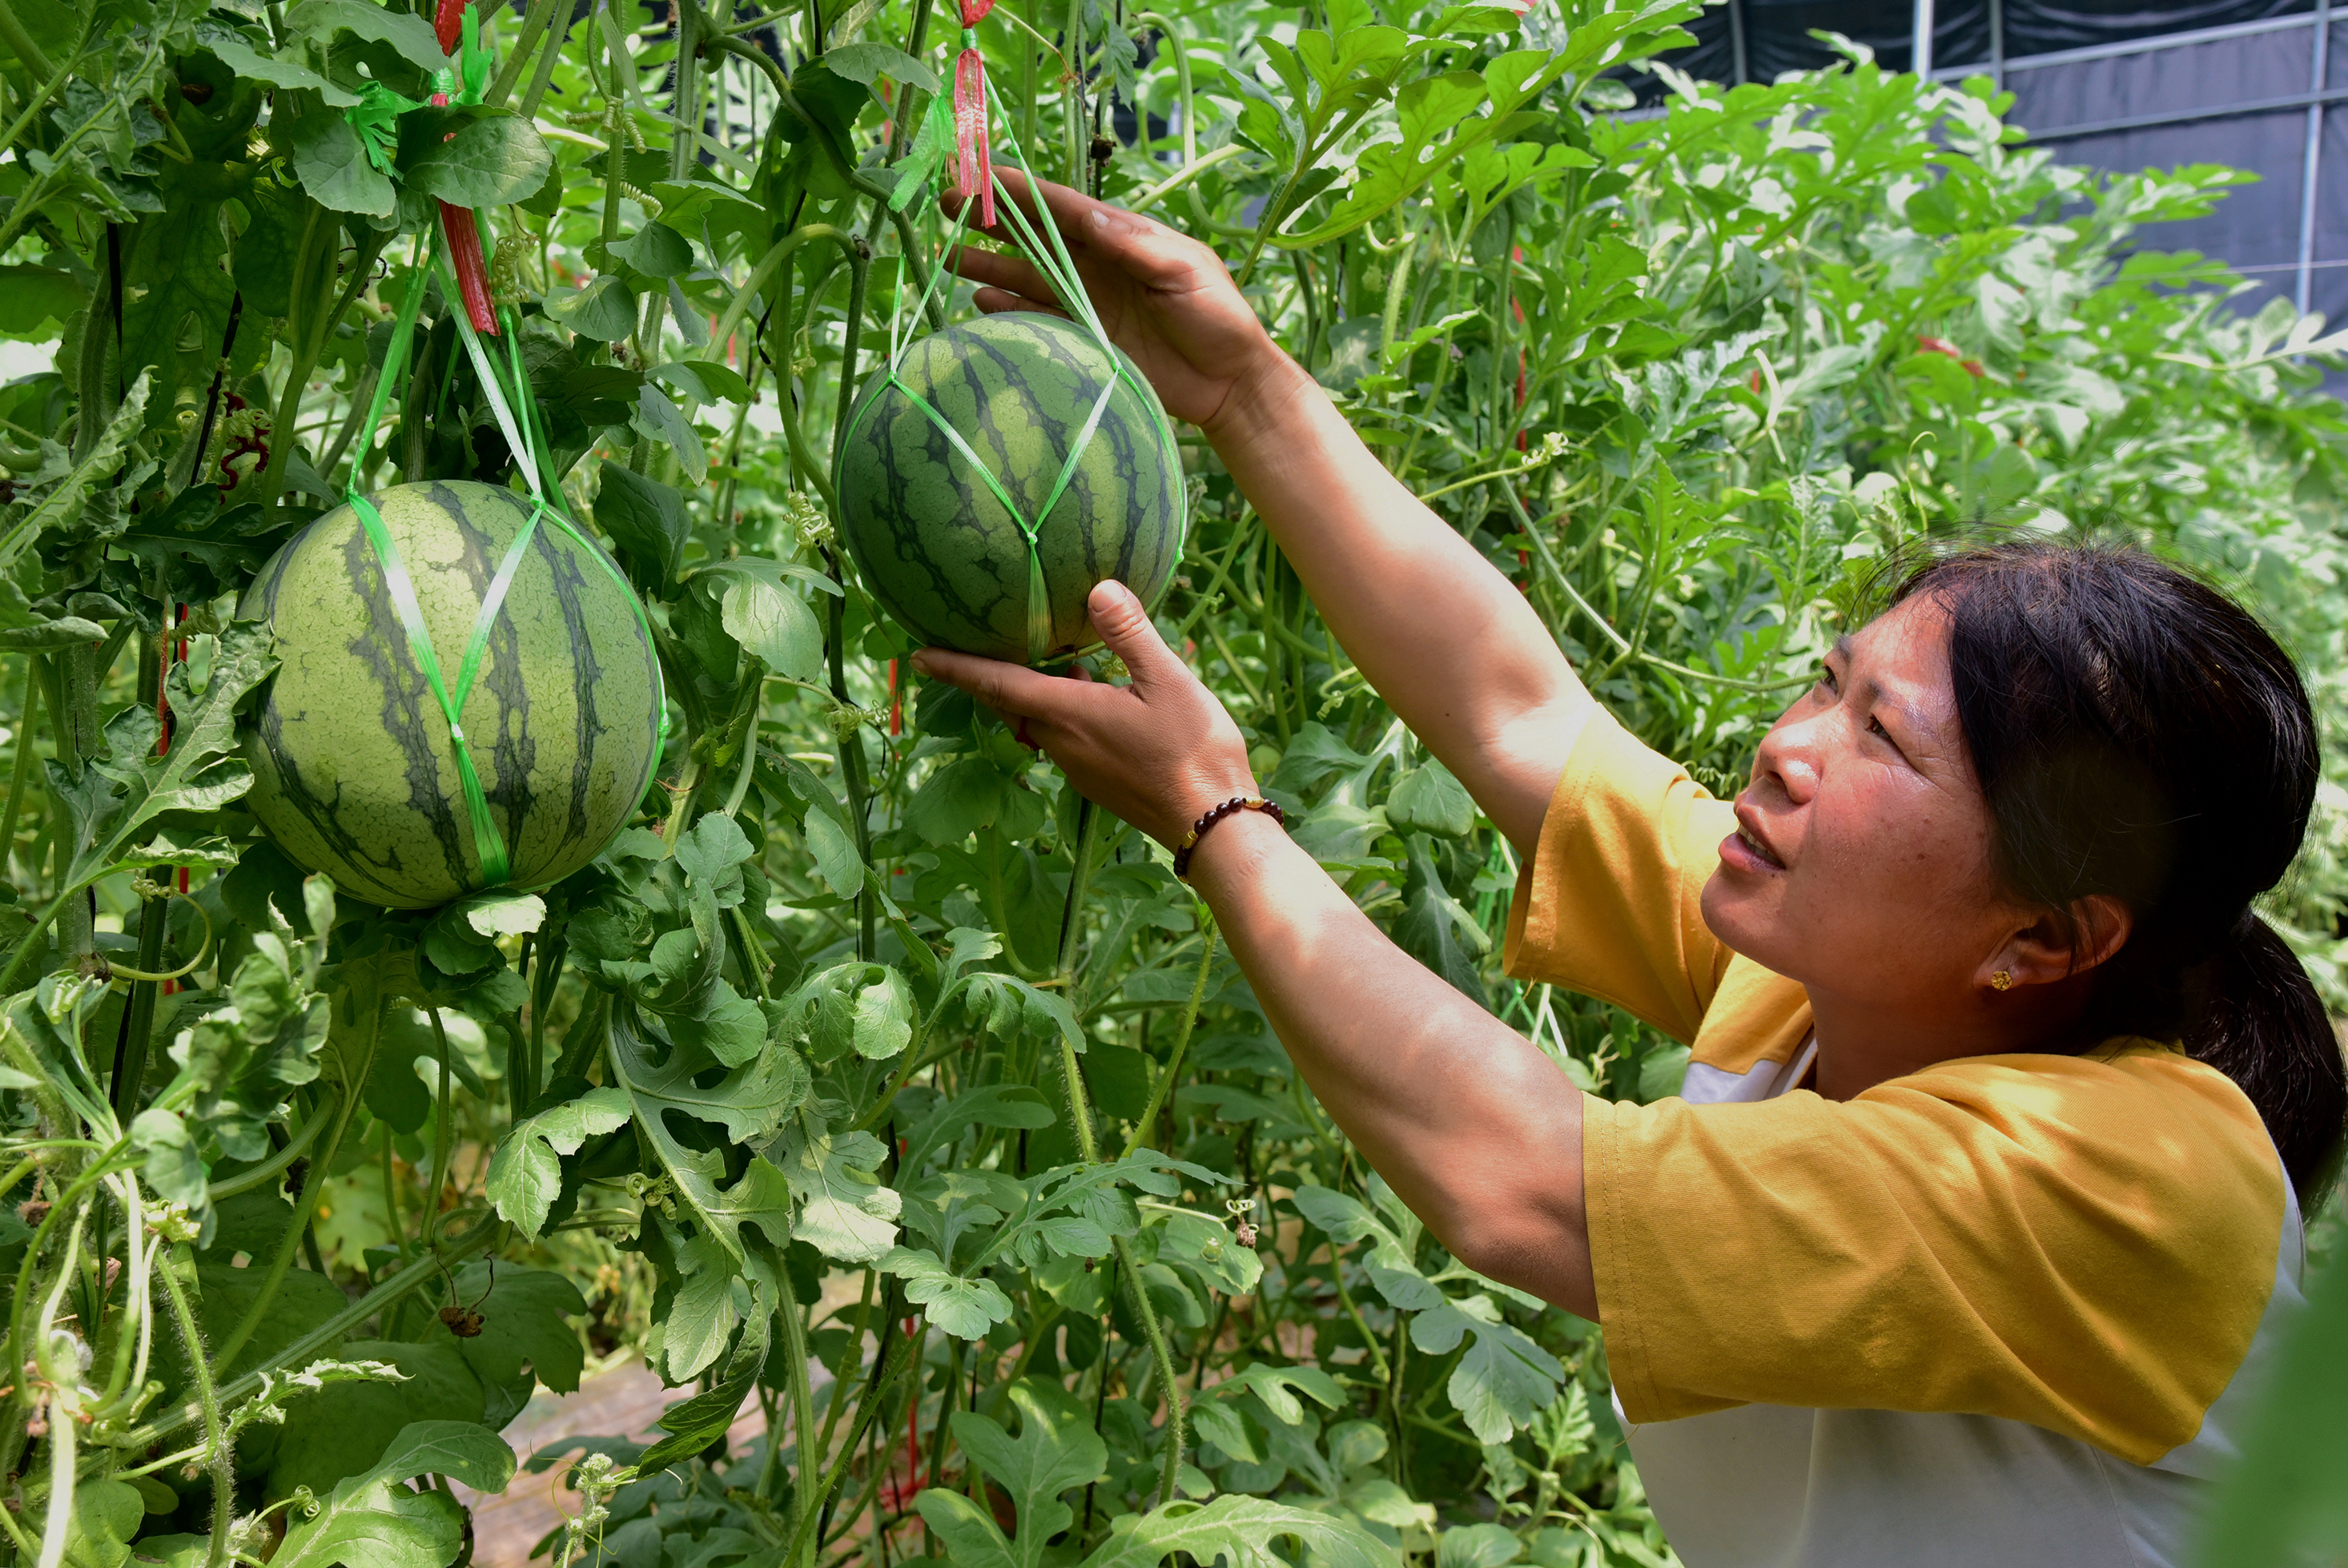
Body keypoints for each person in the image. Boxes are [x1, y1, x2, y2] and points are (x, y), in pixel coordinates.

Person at [910, 173, 2348, 1568]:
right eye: (1825, 684)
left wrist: (1218, 815)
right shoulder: (1826, 982)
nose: (1788, 748)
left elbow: (1521, 1178)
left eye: (1883, 743)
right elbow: (1519, 715)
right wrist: (1243, 388)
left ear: (2043, 938)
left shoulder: (2144, 1183)